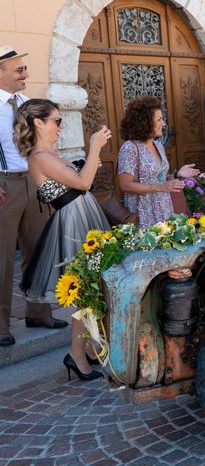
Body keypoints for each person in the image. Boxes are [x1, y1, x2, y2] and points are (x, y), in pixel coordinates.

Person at [16, 99, 111, 380]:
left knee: (92, 290)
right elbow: (82, 183)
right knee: (84, 292)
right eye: (56, 120)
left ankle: (91, 349)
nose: (61, 126)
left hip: (84, 214)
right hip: (72, 221)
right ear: (38, 123)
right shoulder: (39, 157)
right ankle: (76, 354)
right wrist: (93, 148)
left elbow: (85, 181)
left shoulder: (53, 153)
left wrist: (89, 162)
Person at [0, 45, 67, 347]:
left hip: (35, 180)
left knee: (39, 251)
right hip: (5, 184)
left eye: (24, 68)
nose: (25, 73)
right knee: (2, 258)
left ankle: (38, 312)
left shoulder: (27, 103)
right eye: (19, 69)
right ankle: (0, 325)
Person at [118, 96, 199, 229]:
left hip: (164, 207)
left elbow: (158, 178)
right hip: (143, 212)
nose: (164, 123)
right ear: (145, 122)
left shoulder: (158, 145)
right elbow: (125, 185)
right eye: (159, 119)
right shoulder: (130, 148)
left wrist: (177, 174)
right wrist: (160, 187)